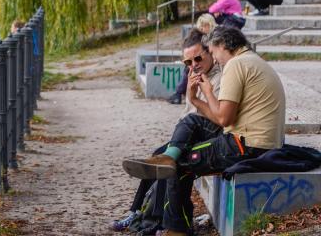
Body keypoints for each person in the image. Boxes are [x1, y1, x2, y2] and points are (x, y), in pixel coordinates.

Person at [121, 26, 286, 236]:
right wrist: (196, 99)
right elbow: (226, 118)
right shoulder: (253, 61)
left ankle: (176, 229)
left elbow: (224, 118)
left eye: (213, 52)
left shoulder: (236, 65)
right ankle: (167, 162)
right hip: (257, 142)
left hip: (245, 145)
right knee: (190, 127)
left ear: (223, 45)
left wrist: (206, 91)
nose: (216, 59)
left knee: (179, 164)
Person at [112, 30, 222, 233]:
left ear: (210, 53)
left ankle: (157, 222)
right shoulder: (195, 77)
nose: (194, 65)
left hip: (213, 138)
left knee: (171, 164)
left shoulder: (219, 78)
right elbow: (188, 116)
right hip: (192, 136)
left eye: (198, 58)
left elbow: (216, 118)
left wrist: (198, 96)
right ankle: (137, 212)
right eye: (188, 63)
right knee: (158, 157)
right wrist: (191, 95)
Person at [167, 14, 216, 105]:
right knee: (188, 69)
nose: (202, 28)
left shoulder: (214, 38)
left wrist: (194, 99)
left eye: (205, 25)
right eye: (201, 26)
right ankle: (178, 93)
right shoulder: (197, 38)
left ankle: (178, 93)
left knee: (188, 70)